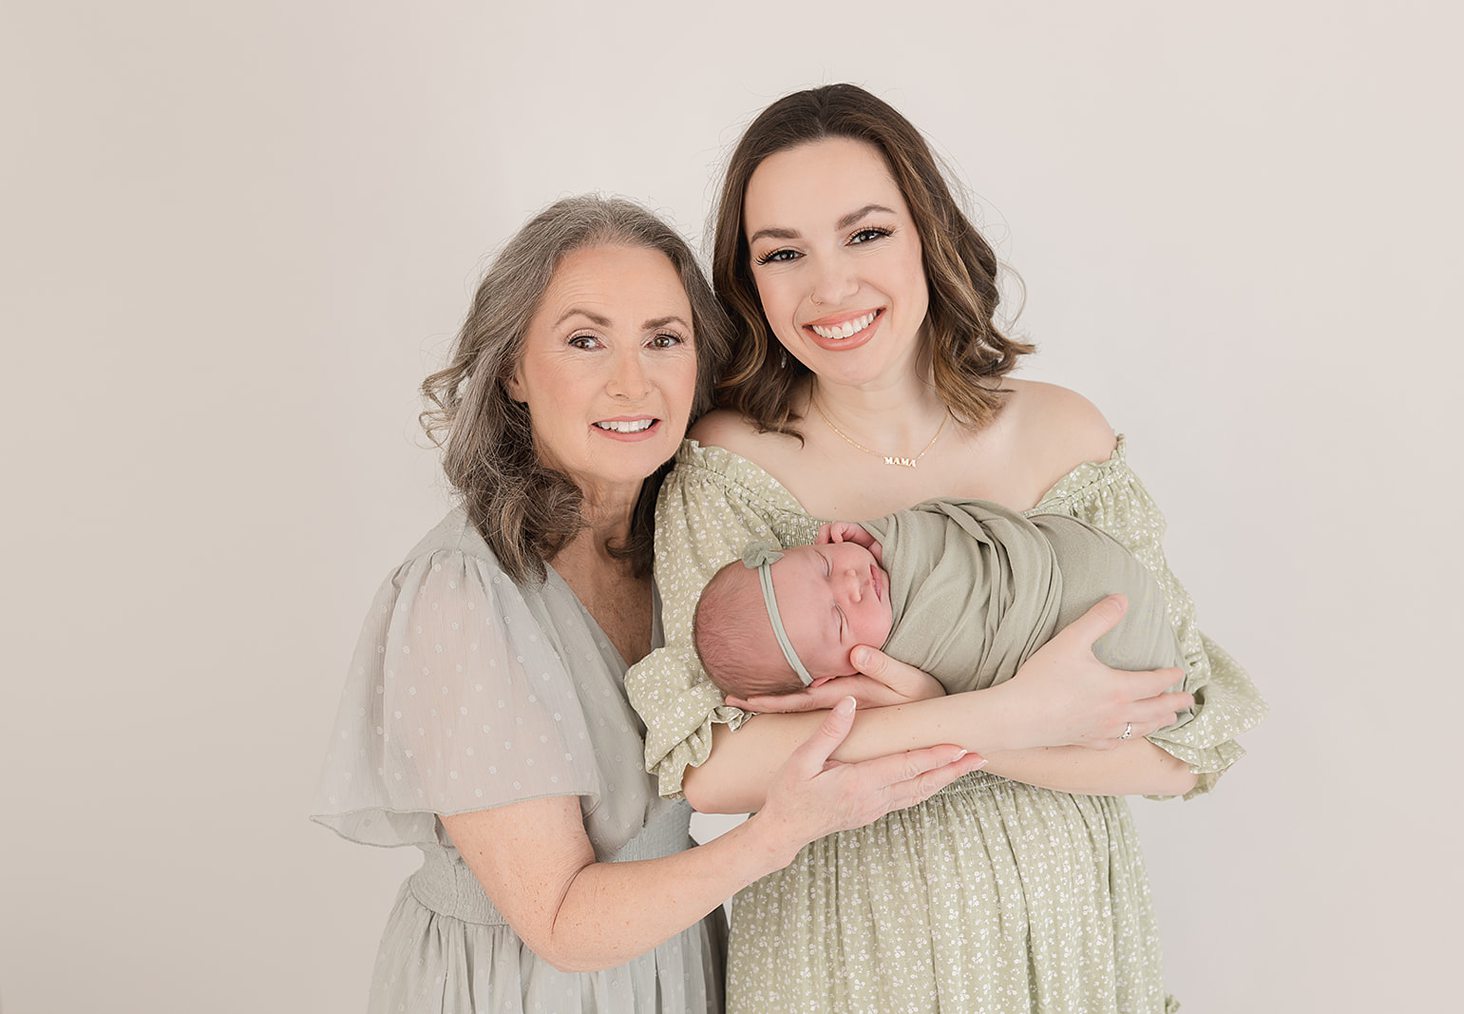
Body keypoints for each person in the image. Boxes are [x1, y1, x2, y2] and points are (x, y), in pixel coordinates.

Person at [625, 85, 1268, 1012]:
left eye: (867, 233)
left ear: (928, 232)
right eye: (783, 253)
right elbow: (714, 769)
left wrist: (959, 719)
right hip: (842, 963)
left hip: (1071, 960)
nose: (830, 286)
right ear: (749, 281)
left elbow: (1181, 746)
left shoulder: (1062, 439)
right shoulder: (730, 467)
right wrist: (1014, 716)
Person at [309, 195, 986, 1014]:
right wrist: (779, 831)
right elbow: (559, 921)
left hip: (673, 962)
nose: (633, 382)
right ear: (514, 370)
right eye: (585, 341)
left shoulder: (694, 556)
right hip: (521, 988)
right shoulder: (461, 596)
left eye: (664, 340)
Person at [693, 502, 1186, 702]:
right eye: (840, 620)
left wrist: (888, 538)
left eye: (824, 565)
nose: (851, 584)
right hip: (1098, 641)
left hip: (1067, 563)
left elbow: (950, 534)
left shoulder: (888, 549)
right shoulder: (905, 659)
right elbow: (973, 657)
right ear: (831, 677)